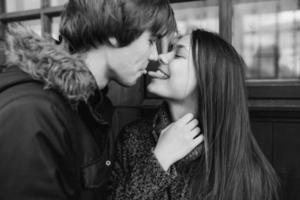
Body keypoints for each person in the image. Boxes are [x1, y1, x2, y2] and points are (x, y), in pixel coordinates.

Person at [0, 0, 187, 199]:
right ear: (115, 32)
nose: (154, 55)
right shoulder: (32, 113)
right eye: (150, 41)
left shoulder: (89, 105)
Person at [110, 29, 279, 200]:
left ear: (207, 78)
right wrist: (159, 160)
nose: (161, 57)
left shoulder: (248, 174)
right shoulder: (131, 138)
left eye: (178, 55)